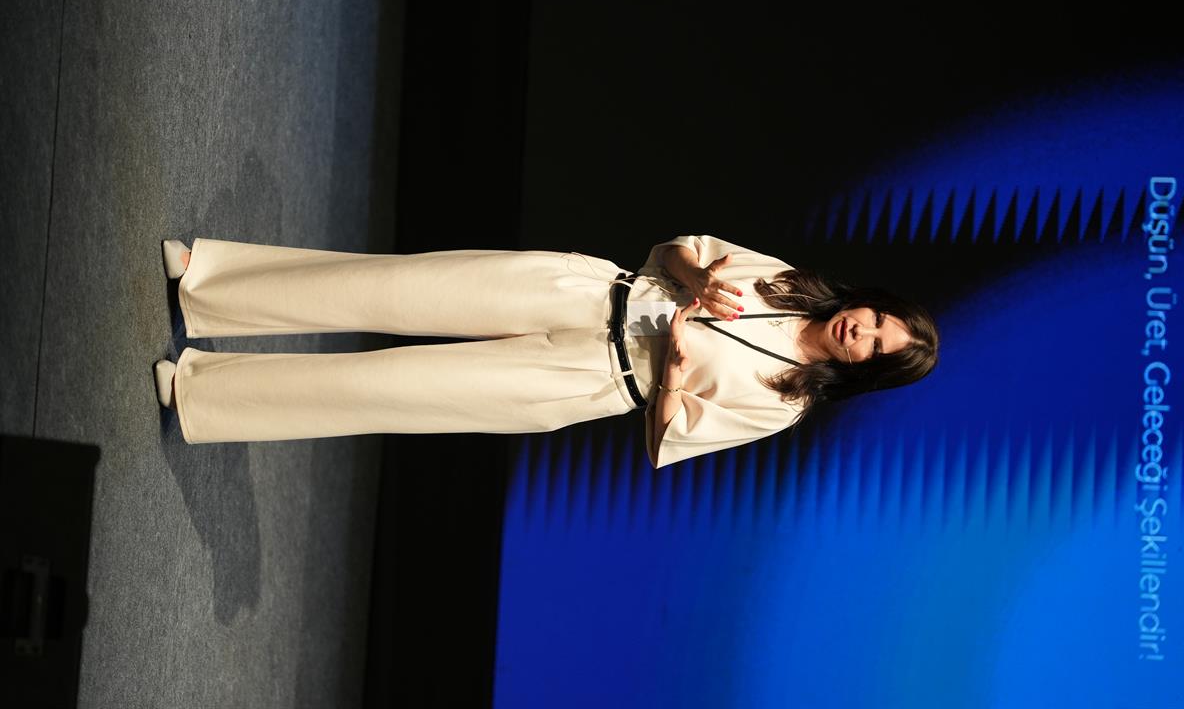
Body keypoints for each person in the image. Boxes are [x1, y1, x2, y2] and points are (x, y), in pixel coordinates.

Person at [152, 235, 938, 468]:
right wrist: (697, 275)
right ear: (868, 302)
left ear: (865, 370)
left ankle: (200, 392)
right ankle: (209, 279)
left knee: (385, 386)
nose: (863, 331)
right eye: (878, 319)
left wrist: (674, 368)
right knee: (392, 286)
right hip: (588, 293)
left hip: (590, 377)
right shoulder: (789, 282)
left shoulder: (785, 401)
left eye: (876, 347)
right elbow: (675, 248)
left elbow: (667, 439)